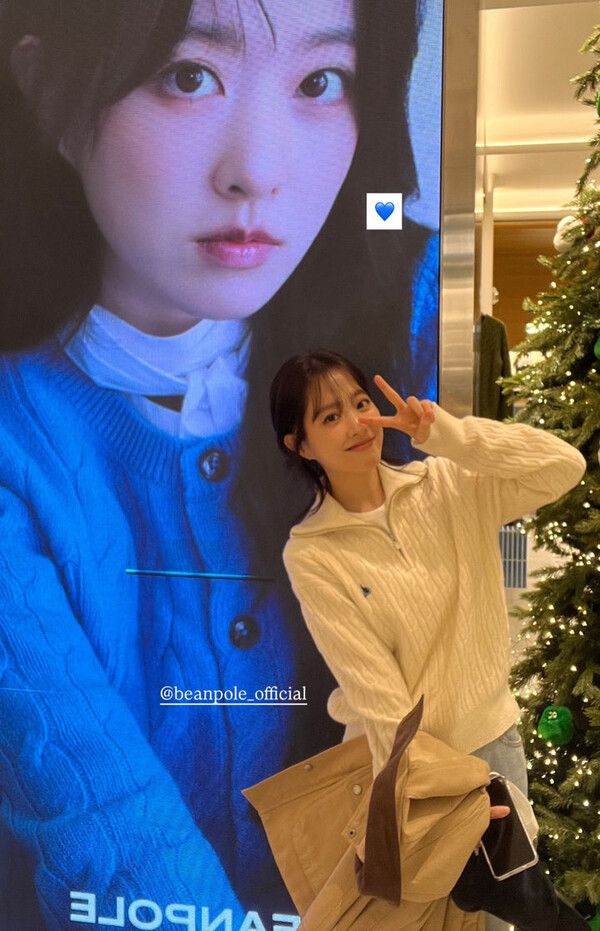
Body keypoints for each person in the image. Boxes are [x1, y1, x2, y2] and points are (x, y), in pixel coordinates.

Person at [0, 1, 441, 928]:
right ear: (46, 94)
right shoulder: (19, 433)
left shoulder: (404, 333)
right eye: (189, 75)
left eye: (321, 82)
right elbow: (107, 815)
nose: (260, 172)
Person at [270, 349, 587, 927]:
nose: (357, 424)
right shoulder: (313, 553)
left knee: (496, 921)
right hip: (406, 776)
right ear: (301, 445)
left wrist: (445, 434)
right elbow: (380, 700)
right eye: (330, 417)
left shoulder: (446, 484)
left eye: (360, 403)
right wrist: (438, 797)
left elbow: (562, 465)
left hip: (492, 750)